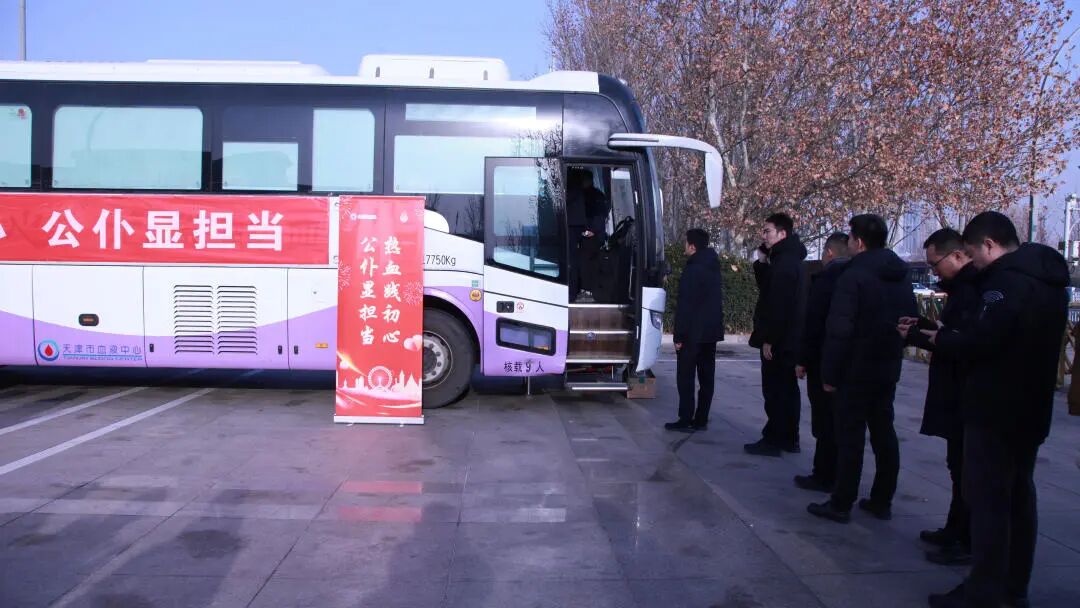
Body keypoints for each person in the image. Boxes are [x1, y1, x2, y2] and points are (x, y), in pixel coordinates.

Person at [924, 212, 1068, 608]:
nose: (973, 263)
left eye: (973, 253)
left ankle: (984, 592)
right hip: (1031, 406)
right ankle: (1012, 588)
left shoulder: (1004, 284)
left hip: (994, 408)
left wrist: (941, 339)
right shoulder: (1050, 282)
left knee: (989, 503)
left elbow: (982, 342)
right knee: (1019, 499)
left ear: (988, 245)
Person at [808, 214, 916, 523]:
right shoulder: (900, 274)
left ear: (859, 242)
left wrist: (829, 374)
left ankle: (842, 501)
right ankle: (882, 499)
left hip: (854, 369)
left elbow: (839, 329)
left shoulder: (853, 275)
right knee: (883, 432)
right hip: (887, 365)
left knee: (850, 437)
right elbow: (909, 320)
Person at [899, 228, 980, 566]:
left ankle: (967, 538)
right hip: (955, 389)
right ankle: (955, 528)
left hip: (968, 393)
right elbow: (948, 335)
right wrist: (921, 328)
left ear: (959, 255)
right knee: (956, 465)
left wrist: (922, 335)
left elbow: (965, 342)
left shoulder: (975, 290)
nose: (933, 272)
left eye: (936, 264)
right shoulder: (962, 289)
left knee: (967, 470)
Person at [746, 213, 807, 456]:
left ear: (782, 234)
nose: (764, 236)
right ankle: (789, 438)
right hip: (789, 337)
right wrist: (762, 262)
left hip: (780, 339)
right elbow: (769, 289)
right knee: (787, 390)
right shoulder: (786, 259)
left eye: (768, 231)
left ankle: (774, 439)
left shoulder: (784, 263)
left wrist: (769, 339)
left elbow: (778, 304)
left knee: (776, 390)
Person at [793, 232, 850, 492]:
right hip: (850, 362)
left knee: (825, 421)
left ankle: (824, 474)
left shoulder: (827, 279)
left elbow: (813, 324)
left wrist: (803, 359)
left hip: (823, 361)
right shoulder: (858, 276)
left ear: (829, 252)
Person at [665, 228, 725, 432]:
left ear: (692, 246)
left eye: (685, 242)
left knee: (686, 377)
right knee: (707, 378)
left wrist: (679, 336)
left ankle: (685, 418)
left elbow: (685, 306)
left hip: (692, 333)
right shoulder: (713, 267)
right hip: (710, 333)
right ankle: (701, 418)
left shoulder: (692, 269)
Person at [566, 168, 610, 302]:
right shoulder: (578, 195)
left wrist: (591, 230)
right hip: (585, 235)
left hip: (592, 237)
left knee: (585, 264)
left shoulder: (594, 196)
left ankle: (585, 290)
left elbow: (600, 216)